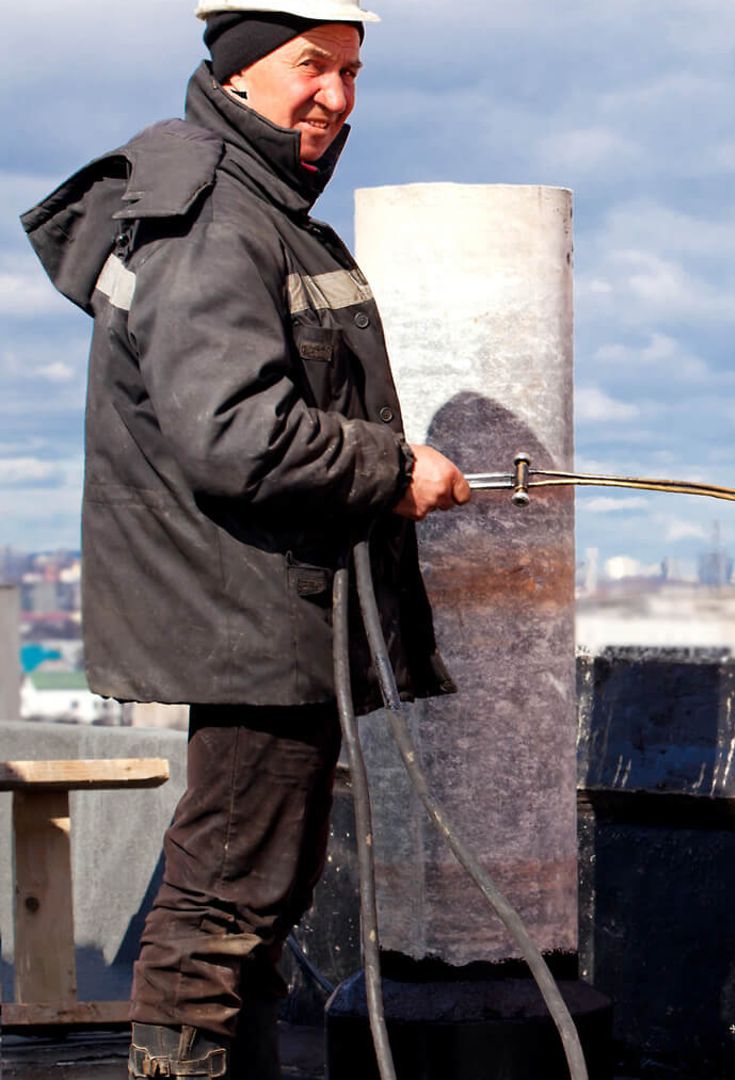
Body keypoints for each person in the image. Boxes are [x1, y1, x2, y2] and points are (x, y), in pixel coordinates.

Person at [19, 2, 469, 1074]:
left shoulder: (254, 202)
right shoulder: (219, 213)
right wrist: (394, 469)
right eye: (313, 66)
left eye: (353, 71)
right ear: (236, 74)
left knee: (251, 898)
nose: (338, 96)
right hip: (251, 611)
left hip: (264, 607)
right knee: (226, 899)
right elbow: (233, 431)